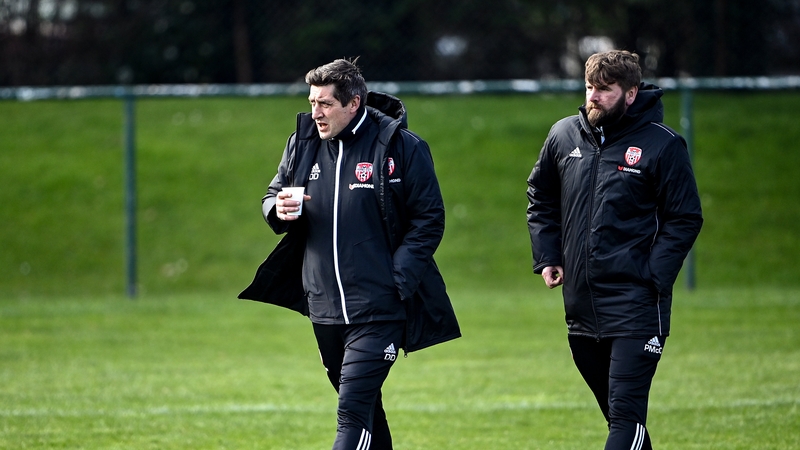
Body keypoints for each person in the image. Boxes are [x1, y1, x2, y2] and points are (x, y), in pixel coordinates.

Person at [239, 58, 460, 450]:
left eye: (325, 104)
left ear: (353, 103)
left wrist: (397, 280)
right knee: (368, 411)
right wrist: (277, 208)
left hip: (379, 308)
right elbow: (273, 194)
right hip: (323, 308)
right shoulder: (302, 143)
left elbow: (429, 219)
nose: (316, 113)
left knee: (352, 414)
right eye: (312, 102)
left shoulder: (402, 147)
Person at [526, 50, 703, 449]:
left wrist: (652, 275)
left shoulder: (663, 145)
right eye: (590, 87)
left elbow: (685, 217)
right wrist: (548, 254)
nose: (594, 97)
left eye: (605, 90)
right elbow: (540, 194)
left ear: (630, 93)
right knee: (623, 423)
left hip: (636, 307)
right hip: (581, 308)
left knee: (625, 419)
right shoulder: (563, 135)